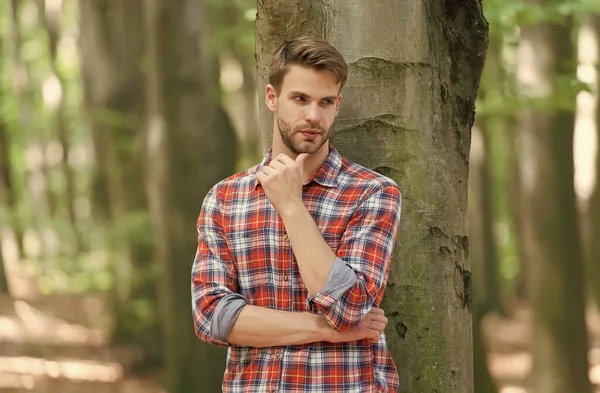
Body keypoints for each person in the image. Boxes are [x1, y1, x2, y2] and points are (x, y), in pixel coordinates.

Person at [191, 36, 402, 393]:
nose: (313, 116)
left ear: (338, 106)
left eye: (326, 102)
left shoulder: (373, 193)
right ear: (272, 98)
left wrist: (291, 205)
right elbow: (212, 316)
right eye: (300, 99)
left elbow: (349, 308)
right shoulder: (225, 199)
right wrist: (323, 328)